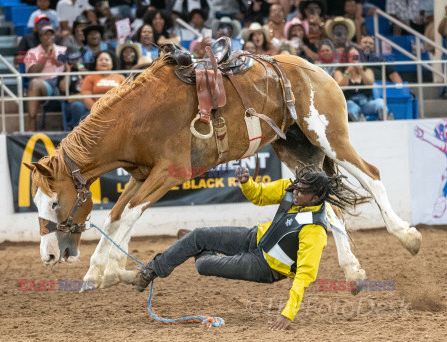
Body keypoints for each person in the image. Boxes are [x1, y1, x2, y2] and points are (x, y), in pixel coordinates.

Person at [118, 165, 365, 329]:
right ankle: (147, 273)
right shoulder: (290, 188)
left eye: (302, 191)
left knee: (203, 265)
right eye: (297, 187)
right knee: (198, 235)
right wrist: (247, 182)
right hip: (254, 237)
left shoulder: (315, 230)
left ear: (315, 198)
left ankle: (195, 250)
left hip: (266, 267)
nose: (296, 191)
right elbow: (258, 195)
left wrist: (287, 313)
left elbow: (305, 275)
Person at [24, 25, 67, 131]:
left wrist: (57, 60)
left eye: (51, 34)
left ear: (54, 36)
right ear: (40, 37)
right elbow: (31, 73)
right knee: (34, 83)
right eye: (45, 34)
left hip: (61, 83)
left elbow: (67, 66)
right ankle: (31, 126)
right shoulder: (32, 52)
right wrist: (46, 56)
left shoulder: (63, 50)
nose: (49, 37)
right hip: (44, 85)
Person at [333, 45, 385, 121]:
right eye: (351, 57)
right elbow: (341, 88)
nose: (354, 59)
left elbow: (370, 85)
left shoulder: (367, 71)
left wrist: (361, 71)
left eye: (356, 56)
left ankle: (384, 120)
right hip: (350, 103)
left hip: (366, 103)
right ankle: (358, 118)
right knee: (350, 105)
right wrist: (348, 72)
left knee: (380, 102)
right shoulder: (339, 72)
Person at [79, 50, 125, 117]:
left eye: (106, 60)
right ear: (96, 65)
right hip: (96, 112)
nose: (103, 61)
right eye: (100, 60)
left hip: (117, 110)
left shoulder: (120, 77)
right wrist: (97, 111)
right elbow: (86, 98)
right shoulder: (90, 77)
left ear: (112, 64)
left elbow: (126, 96)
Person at [58, 47, 87, 130]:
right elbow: (63, 89)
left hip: (87, 99)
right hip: (72, 102)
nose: (75, 61)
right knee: (77, 105)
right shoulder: (63, 74)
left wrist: (84, 74)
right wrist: (68, 71)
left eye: (77, 59)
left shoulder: (85, 70)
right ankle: (77, 132)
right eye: (72, 59)